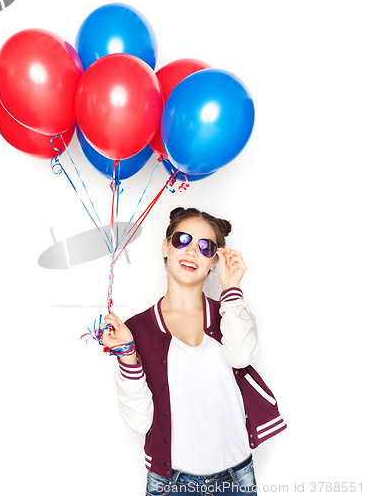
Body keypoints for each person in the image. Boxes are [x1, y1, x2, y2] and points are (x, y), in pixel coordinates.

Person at [100, 207, 286, 495]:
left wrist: (232, 286)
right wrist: (127, 354)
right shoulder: (137, 328)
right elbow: (140, 421)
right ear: (165, 246)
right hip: (170, 483)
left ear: (214, 261)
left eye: (205, 246)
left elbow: (241, 356)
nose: (191, 252)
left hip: (235, 479)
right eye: (181, 240)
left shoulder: (229, 312)